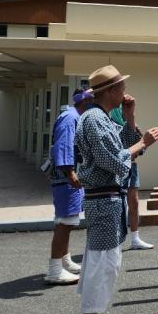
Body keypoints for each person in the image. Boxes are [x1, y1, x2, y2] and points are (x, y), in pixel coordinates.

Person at [75, 65, 158, 314]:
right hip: (103, 200)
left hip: (107, 200)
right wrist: (142, 142)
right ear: (110, 91)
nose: (125, 92)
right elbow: (112, 160)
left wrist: (130, 118)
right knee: (102, 265)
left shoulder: (99, 118)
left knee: (102, 263)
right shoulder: (94, 119)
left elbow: (122, 146)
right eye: (121, 87)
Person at [44, 87, 93, 285]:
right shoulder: (70, 117)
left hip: (69, 175)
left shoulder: (75, 116)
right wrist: (70, 172)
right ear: (86, 101)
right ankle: (55, 269)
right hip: (66, 176)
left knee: (68, 220)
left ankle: (65, 260)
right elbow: (63, 146)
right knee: (65, 221)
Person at [110, 104, 153, 250]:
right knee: (119, 205)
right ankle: (117, 239)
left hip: (132, 167)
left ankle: (135, 238)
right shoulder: (109, 125)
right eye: (122, 110)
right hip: (118, 169)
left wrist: (138, 150)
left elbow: (143, 146)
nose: (125, 112)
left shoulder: (132, 125)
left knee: (134, 203)